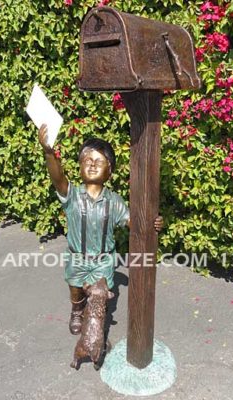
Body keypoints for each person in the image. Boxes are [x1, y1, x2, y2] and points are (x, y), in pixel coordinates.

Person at [38, 124, 163, 335]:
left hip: (103, 261)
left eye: (99, 161)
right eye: (87, 160)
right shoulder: (73, 196)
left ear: (110, 170)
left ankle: (96, 319)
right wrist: (49, 152)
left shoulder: (114, 201)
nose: (93, 165)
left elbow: (134, 223)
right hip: (77, 258)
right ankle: (77, 310)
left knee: (100, 295)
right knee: (76, 289)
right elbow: (58, 178)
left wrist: (153, 223)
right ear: (79, 167)